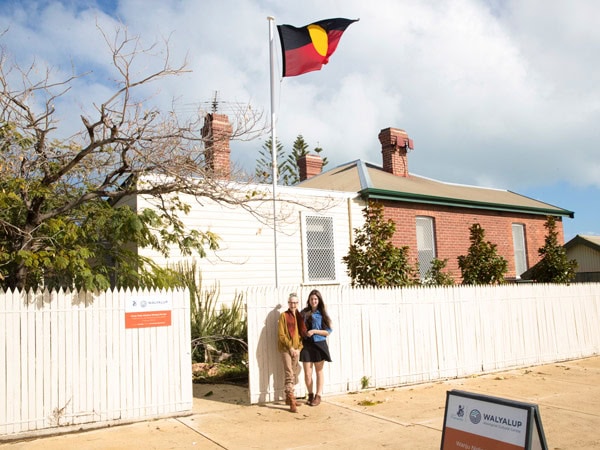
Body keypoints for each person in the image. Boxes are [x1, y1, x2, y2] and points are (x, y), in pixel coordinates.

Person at [300, 289, 332, 406]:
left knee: (319, 371)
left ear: (318, 300)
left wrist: (314, 331)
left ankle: (318, 396)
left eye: (316, 299)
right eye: (312, 299)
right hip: (306, 345)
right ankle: (310, 394)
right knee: (307, 373)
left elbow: (328, 331)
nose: (313, 301)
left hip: (319, 344)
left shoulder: (322, 313)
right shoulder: (303, 312)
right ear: (309, 300)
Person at [277, 292, 308, 413]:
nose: (293, 305)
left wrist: (299, 348)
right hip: (286, 349)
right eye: (291, 302)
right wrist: (290, 347)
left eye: (295, 302)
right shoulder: (283, 316)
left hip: (296, 349)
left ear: (297, 303)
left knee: (294, 372)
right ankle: (291, 398)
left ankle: (288, 399)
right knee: (289, 372)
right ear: (288, 303)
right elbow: (281, 335)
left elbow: (301, 335)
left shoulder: (299, 317)